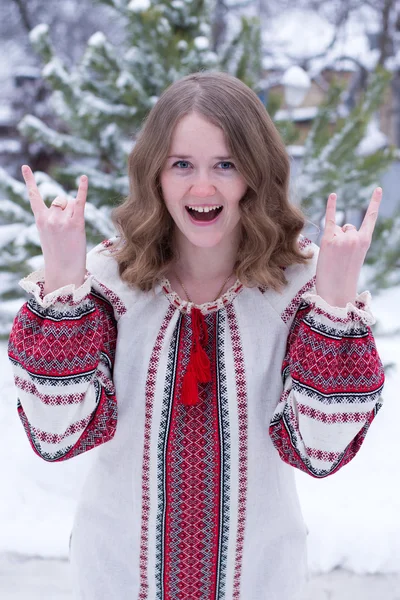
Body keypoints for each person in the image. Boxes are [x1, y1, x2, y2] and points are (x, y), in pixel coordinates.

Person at [8, 71, 385, 600]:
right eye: (181, 164)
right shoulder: (107, 283)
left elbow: (320, 451)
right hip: (118, 577)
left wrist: (338, 299)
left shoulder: (303, 287)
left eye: (225, 165)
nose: (202, 187)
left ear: (255, 173)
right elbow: (56, 435)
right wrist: (64, 276)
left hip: (257, 578)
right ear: (154, 174)